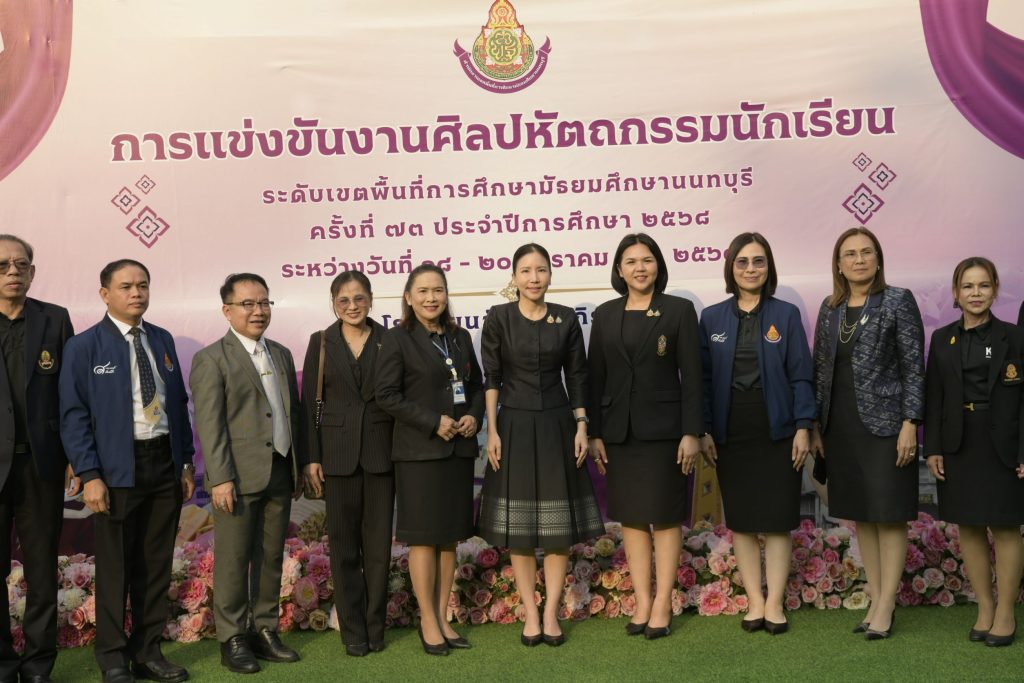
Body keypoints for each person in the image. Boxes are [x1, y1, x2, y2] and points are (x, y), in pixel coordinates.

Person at [59, 260, 194, 683]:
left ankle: (148, 653)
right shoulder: (84, 346)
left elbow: (178, 406)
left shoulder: (161, 338)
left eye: (143, 285)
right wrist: (90, 473)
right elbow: (73, 416)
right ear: (105, 294)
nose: (136, 293)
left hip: (163, 463)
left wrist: (185, 461)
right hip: (115, 468)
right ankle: (113, 658)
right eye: (126, 286)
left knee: (155, 565)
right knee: (116, 567)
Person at [478, 244, 604, 647]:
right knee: (519, 529)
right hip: (512, 425)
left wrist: (581, 426)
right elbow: (492, 378)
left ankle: (551, 614)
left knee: (556, 528)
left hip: (557, 424)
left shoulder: (565, 319)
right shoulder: (498, 318)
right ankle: (530, 615)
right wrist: (492, 430)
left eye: (541, 270)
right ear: (514, 276)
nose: (534, 278)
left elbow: (577, 376)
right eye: (526, 270)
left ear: (550, 274)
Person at [810, 227, 925, 640]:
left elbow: (914, 367)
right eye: (850, 254)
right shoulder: (830, 308)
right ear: (839, 264)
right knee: (863, 517)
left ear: (878, 259)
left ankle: (887, 604)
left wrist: (910, 422)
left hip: (887, 427)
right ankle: (876, 598)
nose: (858, 260)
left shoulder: (897, 300)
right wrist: (816, 426)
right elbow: (820, 369)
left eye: (866, 252)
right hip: (839, 427)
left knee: (888, 516)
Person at [588, 233, 703, 640]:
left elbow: (693, 376)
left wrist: (692, 431)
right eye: (631, 261)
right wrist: (595, 433)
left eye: (647, 260)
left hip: (665, 433)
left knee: (666, 517)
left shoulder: (678, 310)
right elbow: (595, 377)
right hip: (619, 433)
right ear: (619, 270)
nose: (640, 268)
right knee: (633, 518)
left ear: (658, 265)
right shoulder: (605, 314)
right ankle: (641, 601)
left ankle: (663, 602)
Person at [698, 232, 815, 635]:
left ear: (769, 267)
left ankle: (775, 602)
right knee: (743, 519)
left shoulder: (786, 314)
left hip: (779, 428)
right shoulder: (711, 318)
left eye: (758, 261)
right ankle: (755, 601)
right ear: (731, 268)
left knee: (778, 519)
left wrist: (803, 426)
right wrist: (704, 429)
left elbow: (801, 374)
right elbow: (703, 381)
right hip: (731, 430)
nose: (751, 269)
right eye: (743, 261)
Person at [190, 273, 302, 674]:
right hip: (235, 478)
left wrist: (299, 465)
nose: (259, 311)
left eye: (264, 302)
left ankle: (264, 629)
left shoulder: (282, 353)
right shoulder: (211, 359)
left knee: (271, 556)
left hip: (279, 471)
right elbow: (210, 425)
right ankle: (232, 637)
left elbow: (290, 413)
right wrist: (220, 478)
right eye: (248, 304)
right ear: (227, 310)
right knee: (234, 560)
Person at [375, 264, 484, 656]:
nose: (431, 298)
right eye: (422, 291)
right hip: (419, 453)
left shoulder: (459, 336)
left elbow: (475, 385)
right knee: (424, 540)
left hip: (458, 451)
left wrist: (474, 416)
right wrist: (432, 421)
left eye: (438, 290)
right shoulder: (396, 339)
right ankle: (427, 620)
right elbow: (386, 394)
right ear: (408, 297)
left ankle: (442, 617)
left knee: (449, 538)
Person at [924, 257, 1024, 647]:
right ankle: (985, 607)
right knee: (968, 526)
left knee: (1006, 526)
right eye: (968, 286)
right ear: (956, 292)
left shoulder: (1014, 336)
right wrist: (933, 447)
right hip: (958, 442)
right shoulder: (941, 338)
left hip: (1003, 443)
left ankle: (1006, 612)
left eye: (983, 285)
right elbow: (935, 396)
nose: (976, 293)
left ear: (995, 290)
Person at [300, 271, 394, 657]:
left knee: (378, 549)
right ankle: (353, 631)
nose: (352, 306)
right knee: (344, 548)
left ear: (370, 299)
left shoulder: (390, 339)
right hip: (336, 457)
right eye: (344, 300)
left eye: (359, 298)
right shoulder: (321, 342)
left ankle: (375, 628)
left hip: (381, 453)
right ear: (333, 303)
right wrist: (312, 457)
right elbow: (309, 404)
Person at [0, 235, 77, 683]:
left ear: (32, 271)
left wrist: (74, 457)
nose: (13, 272)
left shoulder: (55, 319)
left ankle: (37, 666)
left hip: (42, 467)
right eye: (3, 265)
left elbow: (71, 395)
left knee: (42, 570)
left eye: (21, 264)